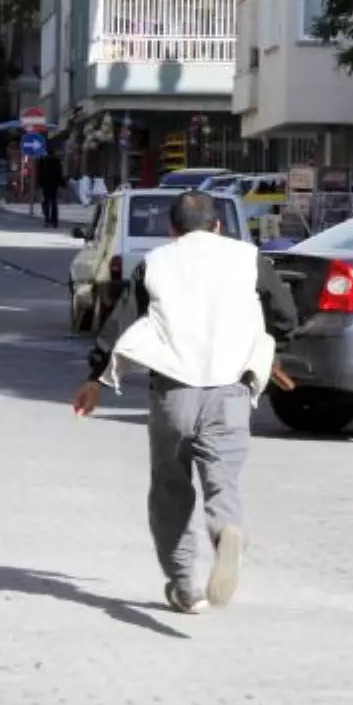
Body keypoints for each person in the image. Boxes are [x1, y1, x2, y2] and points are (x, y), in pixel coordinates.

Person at [71, 190, 299, 614]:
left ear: (171, 229)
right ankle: (225, 529)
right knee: (222, 483)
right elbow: (285, 316)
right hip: (230, 392)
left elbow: (119, 321)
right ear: (217, 226)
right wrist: (271, 349)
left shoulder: (156, 262)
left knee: (170, 489)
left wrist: (95, 378)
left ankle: (184, 586)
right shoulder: (249, 259)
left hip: (173, 392)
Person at [36, 152, 65, 227]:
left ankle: (47, 219)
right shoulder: (57, 160)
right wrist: (62, 183)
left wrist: (39, 183)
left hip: (45, 183)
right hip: (54, 183)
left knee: (46, 201)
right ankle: (54, 221)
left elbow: (40, 173)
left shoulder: (43, 160)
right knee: (53, 201)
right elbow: (59, 173)